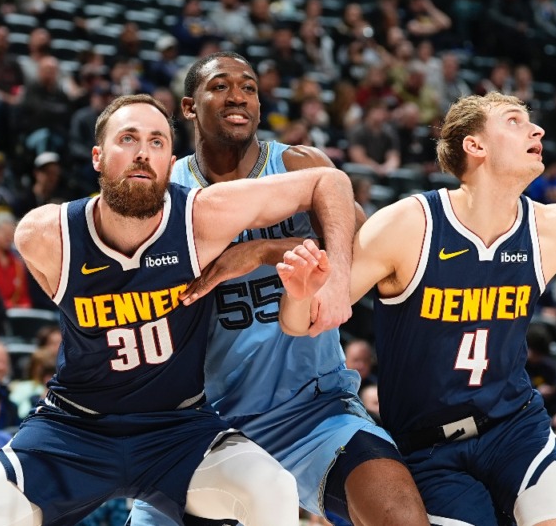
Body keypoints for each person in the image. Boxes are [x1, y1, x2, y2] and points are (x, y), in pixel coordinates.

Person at [0, 93, 358, 526]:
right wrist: (264, 248)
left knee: (272, 489)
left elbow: (330, 183)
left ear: (170, 159)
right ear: (98, 157)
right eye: (128, 138)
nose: (143, 152)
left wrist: (334, 275)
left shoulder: (201, 217)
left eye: (157, 142)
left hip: (176, 427)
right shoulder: (47, 234)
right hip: (74, 428)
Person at [267, 91, 556, 525]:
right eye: (515, 121)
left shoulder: (552, 228)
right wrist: (299, 292)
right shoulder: (410, 224)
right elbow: (304, 323)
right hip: (429, 445)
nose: (536, 129)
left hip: (515, 427)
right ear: (474, 145)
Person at [131, 52, 427, 526]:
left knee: (402, 517)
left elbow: (368, 260)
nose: (238, 97)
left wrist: (264, 251)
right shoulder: (165, 193)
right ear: (189, 107)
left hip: (314, 411)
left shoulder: (299, 167)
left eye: (248, 87)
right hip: (204, 424)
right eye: (221, 86)